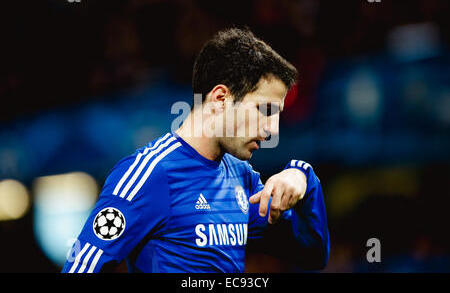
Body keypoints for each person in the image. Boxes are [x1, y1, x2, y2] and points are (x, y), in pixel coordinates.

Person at [62, 28, 330, 273]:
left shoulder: (242, 178)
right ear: (220, 99)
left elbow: (312, 254)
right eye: (265, 110)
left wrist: (304, 177)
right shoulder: (151, 174)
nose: (273, 130)